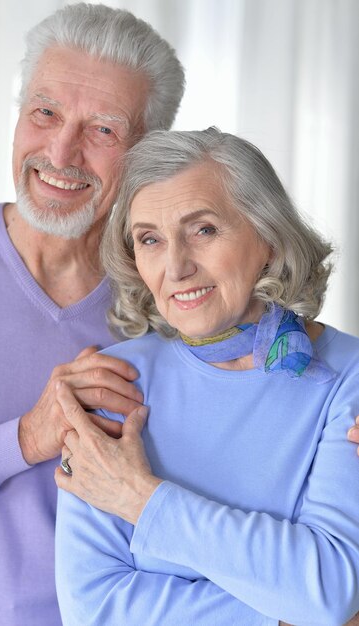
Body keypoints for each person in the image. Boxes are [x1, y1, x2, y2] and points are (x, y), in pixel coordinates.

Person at [55, 127, 359, 626]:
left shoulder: (347, 375)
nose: (175, 266)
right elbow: (93, 609)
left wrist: (141, 498)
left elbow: (327, 588)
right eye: (149, 239)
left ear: (269, 237)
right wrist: (283, 614)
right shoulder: (114, 379)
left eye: (204, 230)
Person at [0, 3, 184, 625]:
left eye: (103, 130)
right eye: (45, 113)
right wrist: (24, 438)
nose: (62, 151)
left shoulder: (173, 302)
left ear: (146, 154)